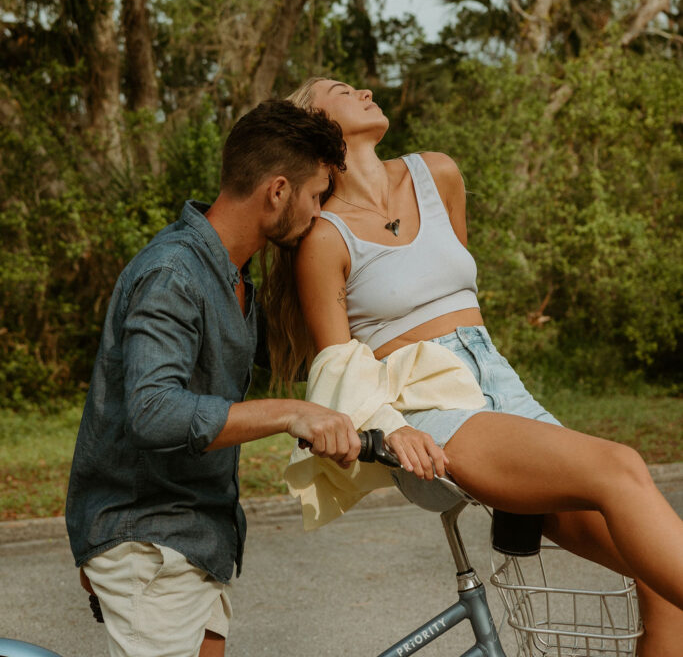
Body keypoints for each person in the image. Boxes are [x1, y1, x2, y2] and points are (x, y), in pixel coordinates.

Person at [262, 77, 683, 657]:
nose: (362, 89)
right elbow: (338, 366)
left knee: (660, 582)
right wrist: (392, 427)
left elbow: (463, 300)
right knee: (620, 464)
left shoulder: (438, 174)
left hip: (498, 386)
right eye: (341, 89)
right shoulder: (325, 240)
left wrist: (497, 395)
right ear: (315, 122)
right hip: (424, 412)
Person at [65, 100, 361, 657]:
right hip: (147, 537)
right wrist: (288, 413)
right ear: (277, 191)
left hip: (198, 537)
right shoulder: (173, 273)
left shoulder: (234, 277)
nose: (319, 214)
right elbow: (153, 411)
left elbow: (306, 354)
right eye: (317, 197)